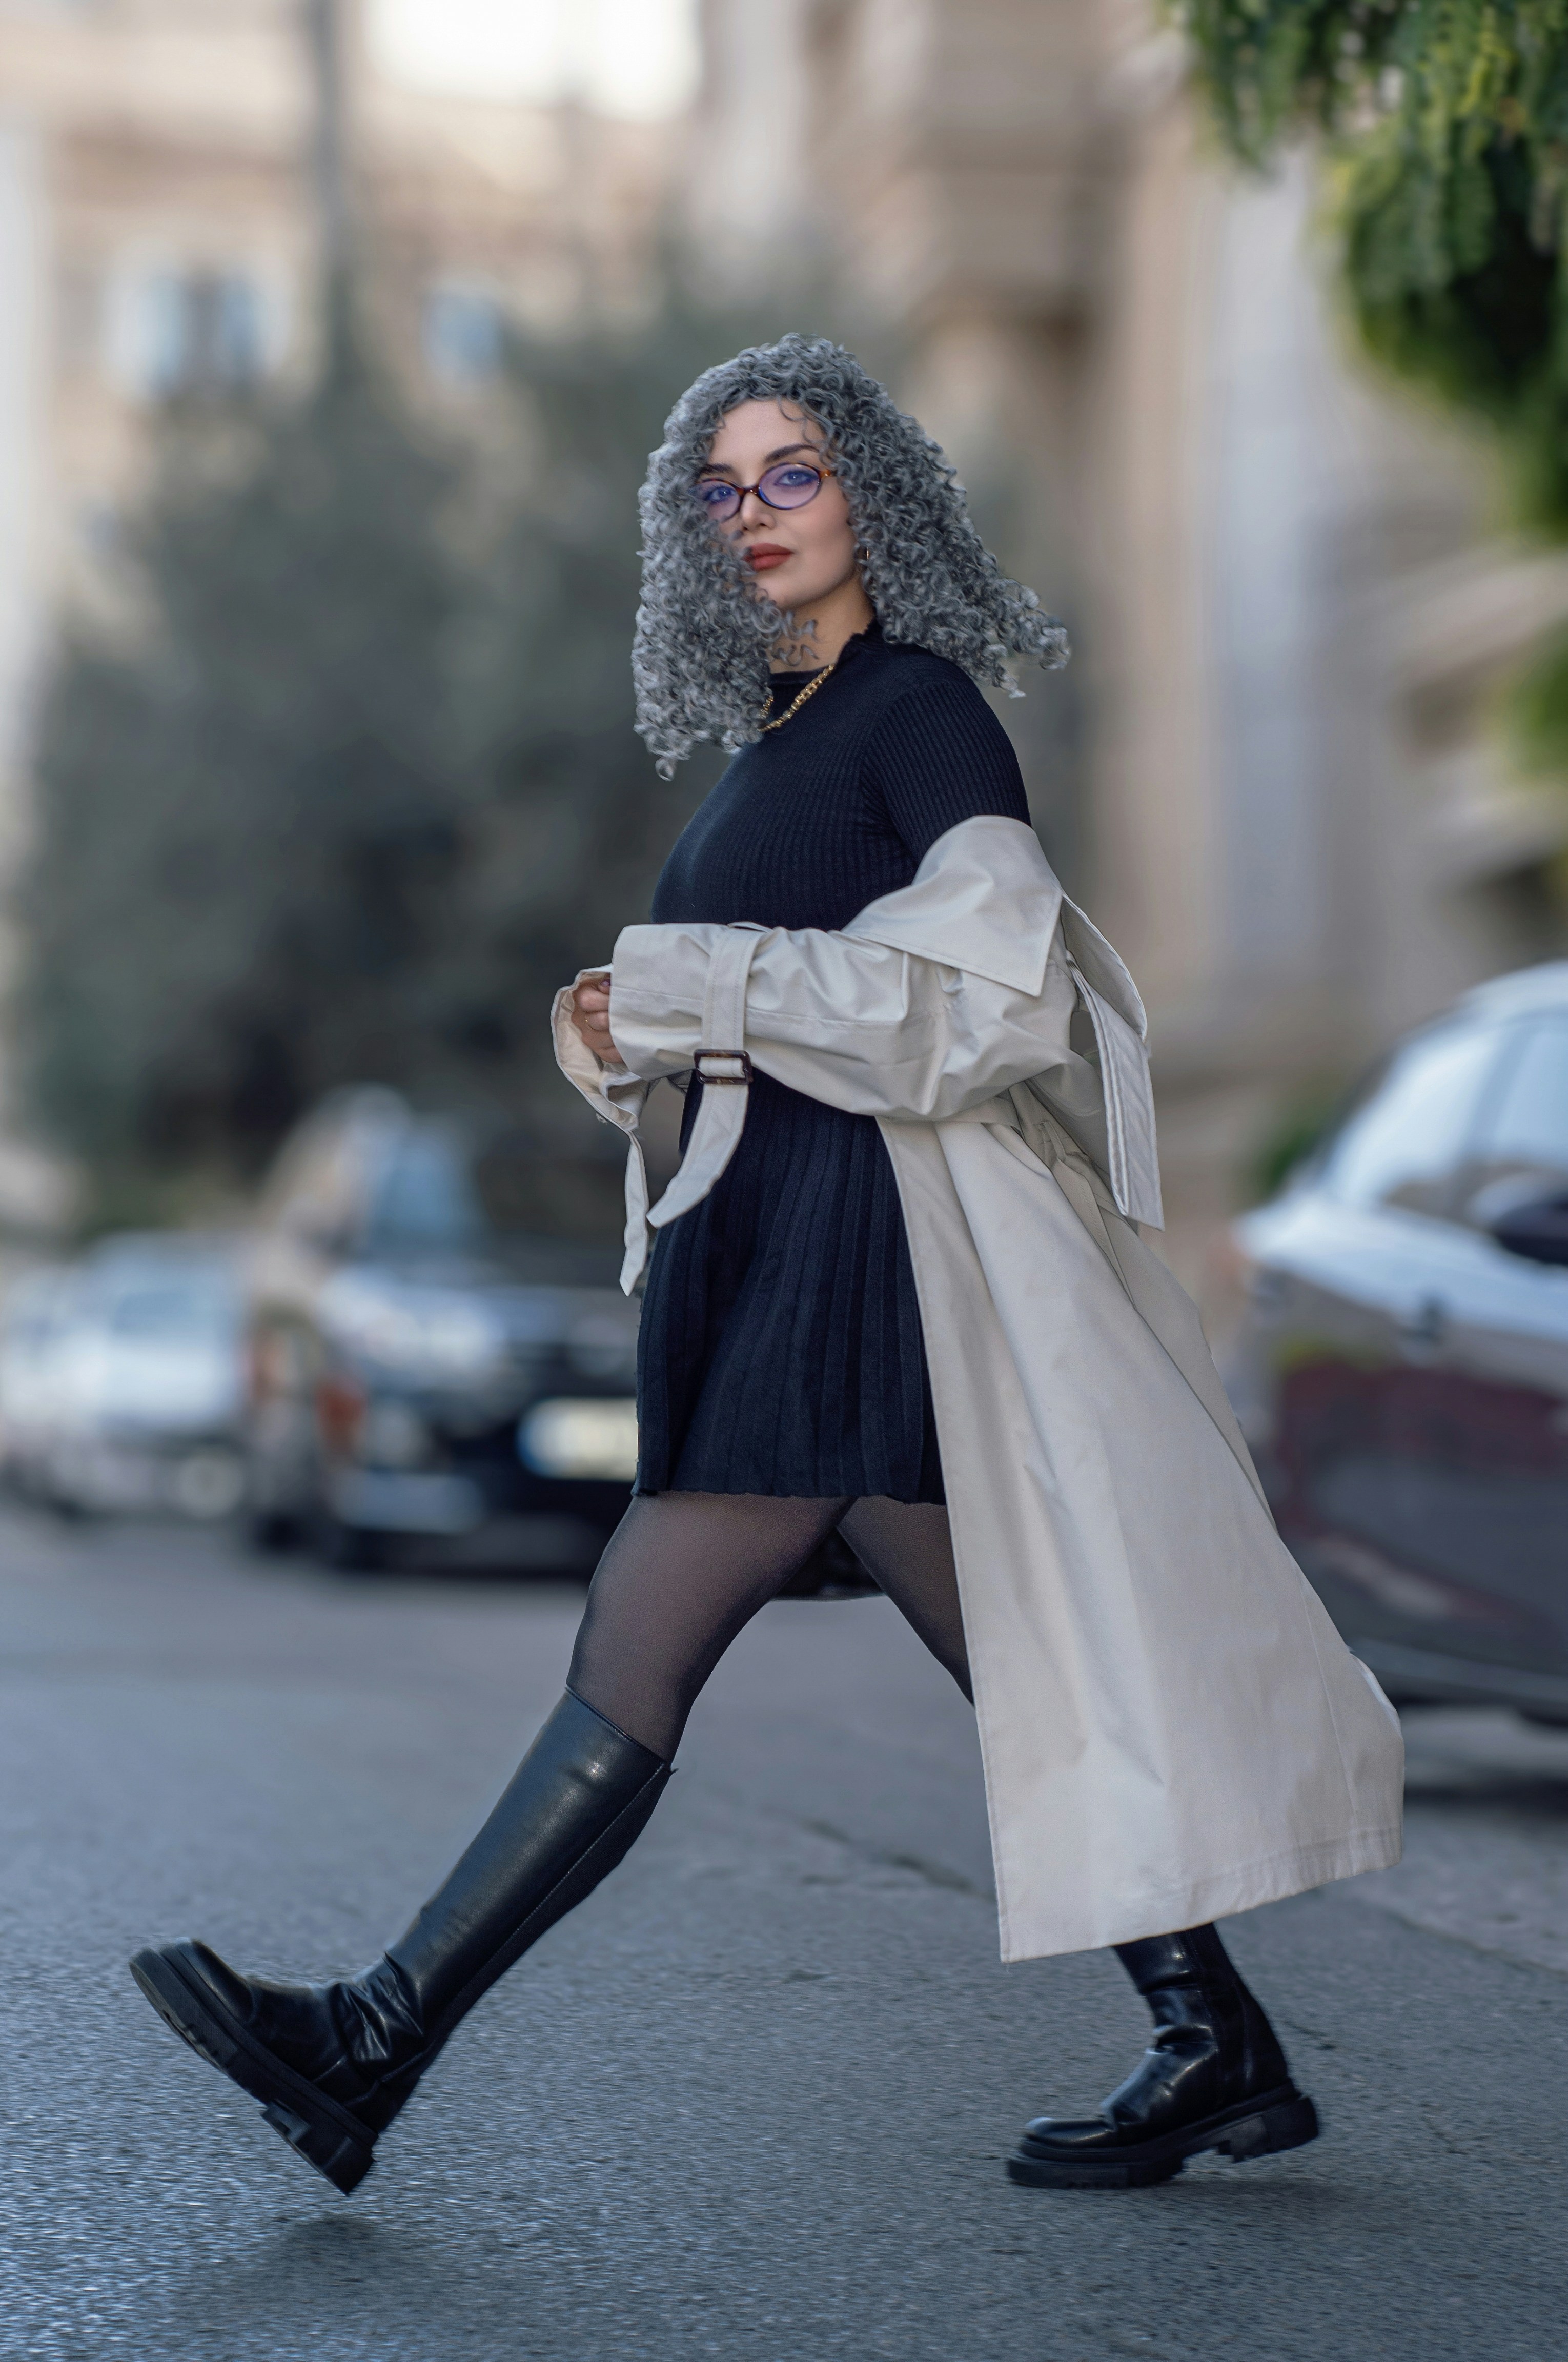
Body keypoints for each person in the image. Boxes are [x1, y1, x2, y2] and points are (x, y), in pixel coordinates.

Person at [130, 335, 1403, 2198]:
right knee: (1001, 1637)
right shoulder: (776, 742)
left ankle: (370, 2045)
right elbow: (769, 1000)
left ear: (871, 487)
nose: (752, 516)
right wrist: (625, 1019)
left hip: (855, 1254)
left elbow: (977, 1004)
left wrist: (690, 984)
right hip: (770, 1239)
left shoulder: (921, 711)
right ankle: (1217, 2039)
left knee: (643, 1624)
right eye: (718, 490)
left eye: (790, 473)